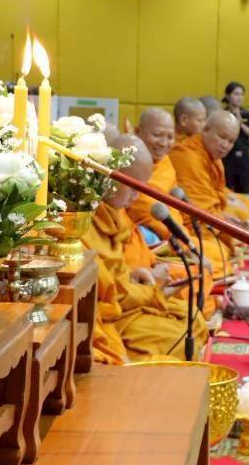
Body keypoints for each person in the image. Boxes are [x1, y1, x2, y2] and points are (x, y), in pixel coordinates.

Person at [80, 135, 208, 362]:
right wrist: (153, 292)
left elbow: (117, 275)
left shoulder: (114, 214)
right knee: (182, 336)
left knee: (195, 321)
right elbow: (111, 294)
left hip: (131, 300)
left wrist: (136, 276)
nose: (137, 196)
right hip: (113, 317)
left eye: (141, 188)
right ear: (108, 176)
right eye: (132, 188)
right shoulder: (83, 225)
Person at [127, 108, 220, 316]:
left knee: (209, 260)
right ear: (138, 131)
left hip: (172, 235)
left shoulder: (166, 162)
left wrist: (187, 239)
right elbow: (147, 212)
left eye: (169, 137)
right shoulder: (131, 166)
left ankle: (201, 305)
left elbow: (175, 205)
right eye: (157, 135)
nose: (164, 143)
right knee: (199, 270)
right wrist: (186, 244)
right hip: (151, 242)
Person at [170, 110, 249, 233]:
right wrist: (235, 226)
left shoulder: (212, 155)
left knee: (245, 210)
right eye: (222, 137)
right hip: (194, 225)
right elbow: (200, 213)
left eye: (231, 141)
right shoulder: (188, 158)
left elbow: (219, 191)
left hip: (211, 214)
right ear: (206, 129)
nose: (225, 145)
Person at [221, 81, 249, 194]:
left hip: (243, 157)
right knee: (226, 189)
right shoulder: (222, 114)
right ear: (228, 96)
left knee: (244, 189)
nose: (239, 97)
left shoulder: (247, 115)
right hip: (226, 157)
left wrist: (241, 124)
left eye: (242, 94)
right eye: (236, 94)